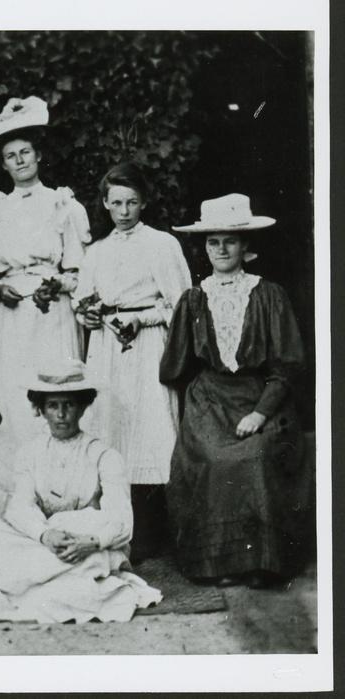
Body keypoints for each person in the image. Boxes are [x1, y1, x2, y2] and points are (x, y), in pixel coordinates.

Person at [161, 194, 312, 588]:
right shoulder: (194, 298)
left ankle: (260, 562)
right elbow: (175, 365)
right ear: (205, 247)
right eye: (213, 241)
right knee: (212, 458)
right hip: (210, 400)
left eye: (230, 240)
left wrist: (260, 412)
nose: (221, 249)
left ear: (246, 247)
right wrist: (200, 399)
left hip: (261, 396)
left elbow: (287, 365)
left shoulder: (267, 294)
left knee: (257, 456)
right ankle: (218, 563)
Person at [0, 358, 161, 624]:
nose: (61, 414)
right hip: (49, 544)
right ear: (40, 409)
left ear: (83, 407)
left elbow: (122, 522)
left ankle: (23, 583)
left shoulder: (104, 456)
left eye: (69, 405)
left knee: (87, 525)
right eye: (53, 405)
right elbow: (20, 507)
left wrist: (92, 542)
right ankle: (46, 579)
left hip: (88, 545)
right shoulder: (30, 453)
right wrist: (45, 534)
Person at [0, 96, 91, 519]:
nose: (19, 161)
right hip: (8, 324)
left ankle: (62, 505)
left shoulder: (63, 205)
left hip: (50, 317)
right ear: (3, 165)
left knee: (52, 397)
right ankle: (8, 513)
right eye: (10, 156)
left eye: (25, 153)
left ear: (38, 156)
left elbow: (79, 272)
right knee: (11, 406)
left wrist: (55, 284)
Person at [72, 161, 191, 563]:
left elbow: (180, 303)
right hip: (107, 346)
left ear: (144, 203)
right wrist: (87, 315)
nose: (124, 211)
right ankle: (119, 525)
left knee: (151, 427)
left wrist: (141, 318)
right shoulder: (97, 251)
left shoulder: (161, 245)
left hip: (146, 346)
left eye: (132, 202)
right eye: (117, 202)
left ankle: (154, 530)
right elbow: (82, 299)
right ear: (105, 204)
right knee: (111, 425)